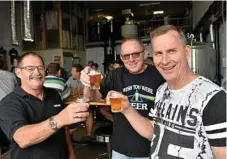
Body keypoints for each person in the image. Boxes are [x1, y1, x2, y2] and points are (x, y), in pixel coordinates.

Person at [105, 25, 227, 159]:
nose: (164, 61)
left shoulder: (214, 99)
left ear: (187, 52)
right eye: (158, 53)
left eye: (172, 51)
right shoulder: (162, 91)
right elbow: (152, 131)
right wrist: (127, 108)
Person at [80, 38, 165, 158]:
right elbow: (92, 97)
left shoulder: (159, 75)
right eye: (126, 56)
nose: (131, 60)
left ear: (145, 54)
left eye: (135, 54)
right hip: (120, 149)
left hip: (150, 149)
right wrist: (87, 82)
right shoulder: (116, 74)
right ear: (121, 58)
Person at [0, 52, 89, 159]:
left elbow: (64, 129)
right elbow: (22, 138)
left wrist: (71, 154)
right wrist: (60, 119)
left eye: (40, 67)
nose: (37, 72)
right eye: (30, 69)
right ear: (18, 72)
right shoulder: (9, 102)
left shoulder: (53, 94)